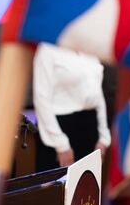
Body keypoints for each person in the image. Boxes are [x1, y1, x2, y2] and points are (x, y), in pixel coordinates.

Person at [32, 42, 111, 171]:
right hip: (60, 127)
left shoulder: (89, 47)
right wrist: (61, 145)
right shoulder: (47, 49)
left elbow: (98, 94)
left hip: (90, 126)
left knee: (88, 182)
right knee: (60, 181)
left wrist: (104, 137)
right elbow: (41, 99)